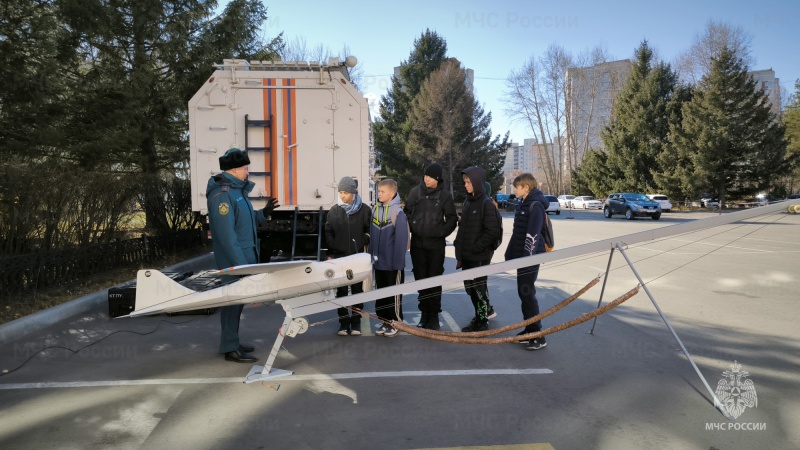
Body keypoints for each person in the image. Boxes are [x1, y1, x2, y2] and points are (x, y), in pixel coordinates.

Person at [206, 148, 279, 363]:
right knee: (231, 302)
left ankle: (233, 341)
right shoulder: (223, 195)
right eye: (246, 169)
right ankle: (229, 347)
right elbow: (227, 237)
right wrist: (242, 267)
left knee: (237, 302)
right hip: (234, 260)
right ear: (235, 170)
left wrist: (263, 214)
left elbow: (244, 223)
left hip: (244, 257)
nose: (248, 172)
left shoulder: (237, 193)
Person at [404, 163, 458, 330]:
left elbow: (451, 219)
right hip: (418, 244)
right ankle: (424, 315)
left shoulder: (445, 195)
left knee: (434, 280)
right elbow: (406, 212)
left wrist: (440, 232)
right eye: (425, 175)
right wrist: (412, 227)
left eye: (430, 176)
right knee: (421, 280)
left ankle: (433, 316)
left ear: (437, 178)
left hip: (436, 246)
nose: (426, 179)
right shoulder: (415, 192)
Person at [504, 172, 549, 351]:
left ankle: (538, 335)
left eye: (516, 186)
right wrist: (510, 255)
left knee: (527, 293)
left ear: (526, 187)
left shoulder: (535, 205)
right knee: (524, 293)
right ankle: (529, 329)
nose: (514, 189)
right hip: (522, 257)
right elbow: (517, 233)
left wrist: (525, 258)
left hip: (530, 258)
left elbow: (533, 234)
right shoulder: (523, 203)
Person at [454, 166, 500, 332]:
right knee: (471, 289)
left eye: (468, 182)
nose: (466, 185)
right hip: (467, 255)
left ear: (477, 182)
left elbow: (491, 231)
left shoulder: (486, 204)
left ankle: (482, 321)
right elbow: (465, 227)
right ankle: (480, 315)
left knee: (478, 289)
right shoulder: (468, 202)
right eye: (464, 182)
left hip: (479, 256)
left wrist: (476, 248)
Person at [325, 176, 371, 336]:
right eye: (340, 192)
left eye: (345, 192)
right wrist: (334, 246)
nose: (342, 195)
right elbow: (328, 231)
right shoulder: (334, 210)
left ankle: (356, 322)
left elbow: (369, 230)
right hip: (339, 257)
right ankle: (344, 323)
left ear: (353, 192)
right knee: (342, 291)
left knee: (357, 290)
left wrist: (361, 241)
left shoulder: (365, 210)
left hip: (357, 257)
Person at [370, 178, 409, 337]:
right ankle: (385, 321)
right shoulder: (375, 210)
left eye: (382, 192)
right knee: (381, 295)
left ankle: (396, 322)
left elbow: (401, 241)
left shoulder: (398, 213)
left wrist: (397, 265)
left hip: (393, 265)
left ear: (391, 194)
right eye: (378, 191)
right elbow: (372, 236)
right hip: (379, 263)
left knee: (394, 295)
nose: (378, 194)